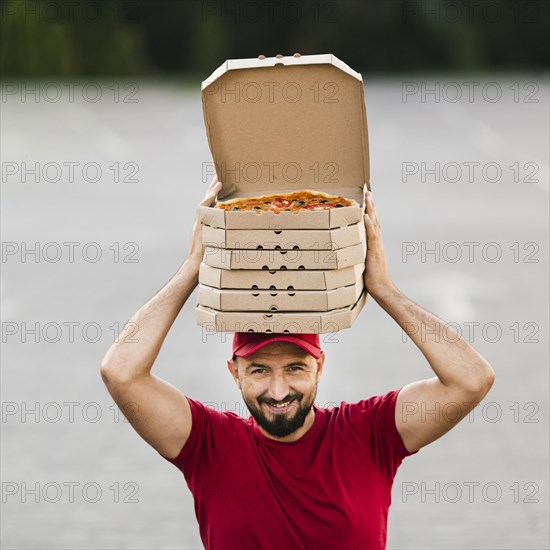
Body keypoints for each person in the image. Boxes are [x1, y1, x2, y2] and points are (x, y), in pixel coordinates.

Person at [100, 176, 495, 549]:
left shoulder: (370, 434)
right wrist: (191, 268)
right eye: (259, 370)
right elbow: (121, 372)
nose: (278, 390)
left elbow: (471, 380)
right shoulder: (207, 444)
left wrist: (384, 290)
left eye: (295, 368)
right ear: (233, 372)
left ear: (320, 367)